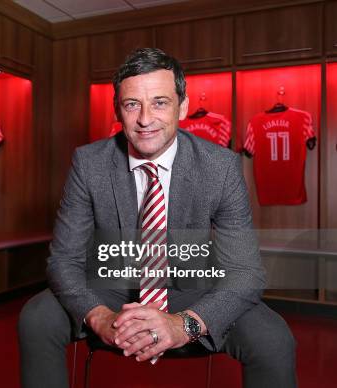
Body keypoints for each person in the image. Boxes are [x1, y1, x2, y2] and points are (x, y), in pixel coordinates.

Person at [18, 48, 296, 388]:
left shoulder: (219, 167)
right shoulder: (89, 163)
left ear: (182, 106)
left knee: (272, 336)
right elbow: (64, 260)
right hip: (111, 286)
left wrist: (185, 324)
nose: (145, 119)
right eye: (132, 104)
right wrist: (100, 316)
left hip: (191, 290)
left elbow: (246, 272)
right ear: (118, 110)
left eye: (160, 102)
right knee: (37, 318)